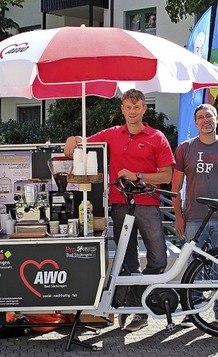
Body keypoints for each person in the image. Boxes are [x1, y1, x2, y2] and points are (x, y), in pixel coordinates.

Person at [63, 89, 175, 332]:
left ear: (145, 109)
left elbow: (167, 175)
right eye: (128, 107)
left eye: (137, 107)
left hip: (147, 204)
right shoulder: (113, 134)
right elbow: (85, 140)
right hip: (120, 203)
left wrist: (138, 176)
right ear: (122, 109)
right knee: (127, 259)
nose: (132, 112)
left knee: (159, 257)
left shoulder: (157, 137)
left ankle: (135, 300)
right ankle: (137, 310)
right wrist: (74, 138)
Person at [172, 104, 218, 325]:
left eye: (209, 116)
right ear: (196, 123)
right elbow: (175, 187)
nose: (206, 120)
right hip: (194, 216)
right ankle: (191, 311)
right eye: (201, 117)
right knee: (193, 265)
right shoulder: (185, 149)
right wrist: (178, 215)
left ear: (216, 119)